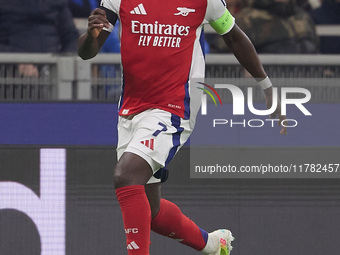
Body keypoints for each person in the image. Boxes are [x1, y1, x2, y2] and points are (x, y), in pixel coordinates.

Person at [78, 0, 287, 254]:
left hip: (174, 107)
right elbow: (87, 51)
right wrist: (91, 35)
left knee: (126, 174)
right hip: (131, 109)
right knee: (150, 212)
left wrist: (266, 86)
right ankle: (212, 244)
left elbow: (233, 37)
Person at [235, 0, 319, 53]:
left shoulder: (302, 16)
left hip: (306, 77)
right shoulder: (247, 18)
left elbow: (315, 47)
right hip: (266, 78)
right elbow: (228, 53)